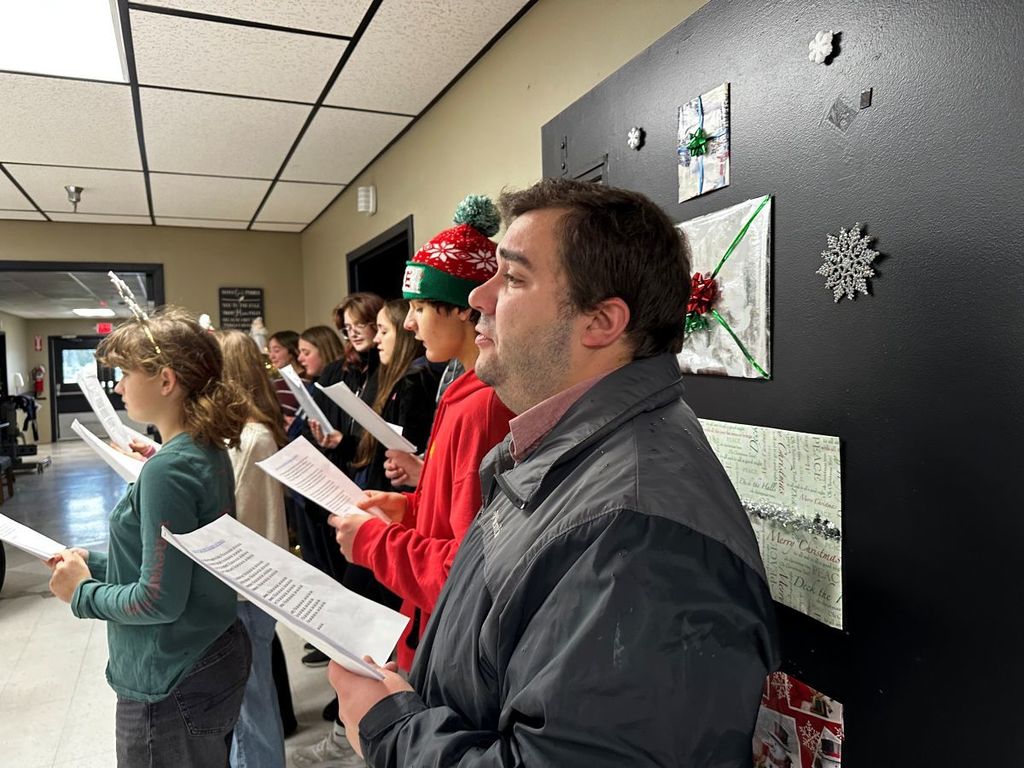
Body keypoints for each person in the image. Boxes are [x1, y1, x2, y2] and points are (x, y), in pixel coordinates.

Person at [328, 179, 780, 766]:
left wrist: (389, 730)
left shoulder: (637, 535)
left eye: (512, 279)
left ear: (601, 322)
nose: (478, 299)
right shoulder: (557, 450)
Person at [297, 196, 514, 767]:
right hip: (428, 627)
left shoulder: (481, 405)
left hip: (448, 639)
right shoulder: (462, 391)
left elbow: (464, 570)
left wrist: (372, 541)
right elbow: (455, 514)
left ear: (466, 311)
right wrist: (407, 507)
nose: (410, 324)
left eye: (419, 307)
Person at [47, 307, 252, 767]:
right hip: (209, 649)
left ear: (165, 381)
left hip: (173, 674)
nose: (117, 385)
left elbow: (156, 601)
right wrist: (95, 564)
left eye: (124, 373)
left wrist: (82, 592)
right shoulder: (203, 448)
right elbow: (177, 563)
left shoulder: (169, 469)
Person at [217, 330, 289, 768]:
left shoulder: (253, 436)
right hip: (249, 585)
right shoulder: (245, 431)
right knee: (246, 700)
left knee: (252, 706)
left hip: (249, 588)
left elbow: (236, 515)